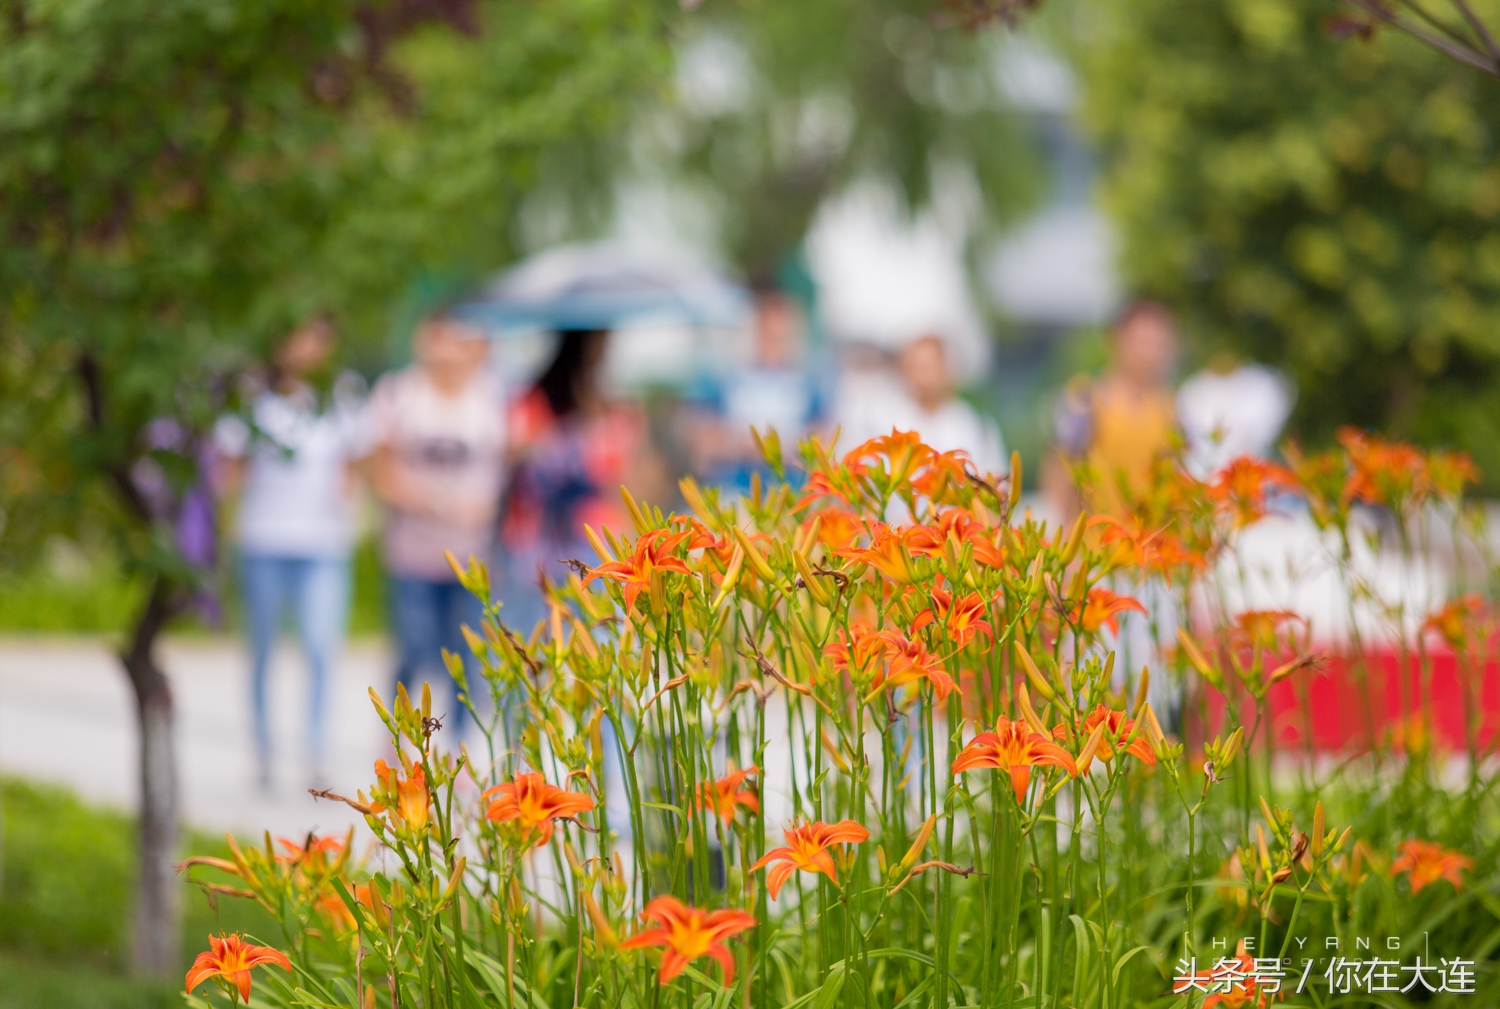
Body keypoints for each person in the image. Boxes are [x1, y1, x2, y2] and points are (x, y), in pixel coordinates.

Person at [215, 317, 363, 790]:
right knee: (261, 650)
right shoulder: (252, 396)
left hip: (322, 543)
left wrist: (350, 501)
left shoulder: (342, 393)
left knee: (320, 646)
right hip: (264, 540)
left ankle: (316, 750)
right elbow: (231, 469)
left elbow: (354, 460)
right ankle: (263, 752)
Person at [364, 307, 506, 739]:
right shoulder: (398, 394)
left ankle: (459, 746)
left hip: (471, 553)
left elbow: (505, 467)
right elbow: (379, 470)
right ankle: (404, 737)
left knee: (467, 654)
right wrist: (427, 501)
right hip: (413, 550)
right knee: (414, 648)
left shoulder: (491, 396)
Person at [499, 329, 665, 631]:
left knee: (596, 632)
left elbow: (632, 477)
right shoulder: (536, 402)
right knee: (537, 635)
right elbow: (512, 462)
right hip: (539, 544)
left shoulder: (611, 406)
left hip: (596, 540)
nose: (605, 352)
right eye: (601, 342)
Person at [1045, 300, 1180, 522]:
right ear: (1117, 340)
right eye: (1142, 341)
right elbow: (1059, 468)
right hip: (1095, 544)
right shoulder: (1086, 400)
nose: (1149, 353)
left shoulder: (1171, 409)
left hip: (1151, 546)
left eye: (1158, 343)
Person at [687, 278, 825, 491]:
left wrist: (748, 446)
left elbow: (821, 444)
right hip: (734, 490)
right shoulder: (728, 378)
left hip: (789, 493)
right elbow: (704, 440)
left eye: (780, 337)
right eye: (768, 336)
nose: (774, 345)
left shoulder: (808, 384)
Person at [887, 333, 1007, 475]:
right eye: (916, 366)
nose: (923, 376)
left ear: (947, 367)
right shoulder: (889, 421)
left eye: (929, 366)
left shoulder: (974, 422)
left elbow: (995, 475)